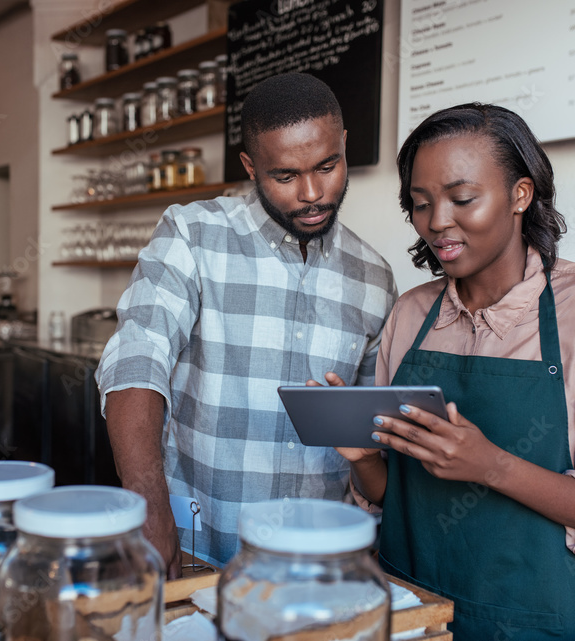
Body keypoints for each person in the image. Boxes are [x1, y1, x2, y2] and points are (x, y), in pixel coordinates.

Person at [330, 103, 575, 640]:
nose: (437, 221)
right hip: (416, 610)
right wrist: (365, 460)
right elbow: (399, 498)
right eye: (420, 203)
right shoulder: (412, 314)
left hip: (539, 620)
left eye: (462, 199)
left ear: (520, 195)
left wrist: (491, 466)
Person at [95, 72, 396, 575]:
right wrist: (149, 508)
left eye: (328, 165)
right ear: (251, 166)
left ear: (344, 144)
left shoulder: (374, 277)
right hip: (199, 551)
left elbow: (367, 443)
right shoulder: (192, 234)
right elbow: (136, 357)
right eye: (285, 176)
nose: (312, 193)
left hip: (315, 565)